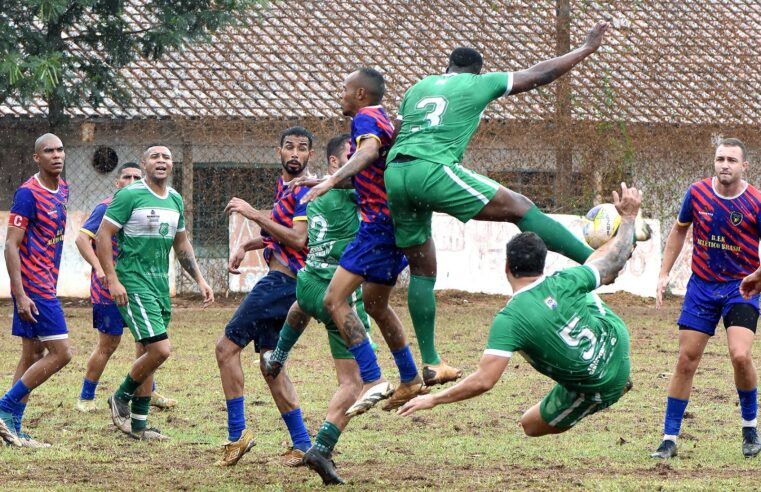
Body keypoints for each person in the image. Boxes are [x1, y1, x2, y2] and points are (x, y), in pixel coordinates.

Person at [384, 22, 653, 386]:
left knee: (422, 269)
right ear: (475, 72)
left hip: (395, 174)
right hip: (431, 168)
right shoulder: (478, 84)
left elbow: (394, 135)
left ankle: (432, 362)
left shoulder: (418, 88)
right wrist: (586, 49)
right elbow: (539, 74)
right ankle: (595, 262)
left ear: (446, 68)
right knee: (521, 208)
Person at [399, 184, 641, 440]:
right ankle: (625, 241)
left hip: (599, 384)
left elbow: (484, 380)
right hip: (616, 342)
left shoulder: (509, 320)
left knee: (530, 425)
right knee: (593, 275)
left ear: (506, 266)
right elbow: (611, 265)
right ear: (542, 264)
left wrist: (434, 400)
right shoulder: (564, 280)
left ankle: (614, 387)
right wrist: (627, 221)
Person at [301, 68, 427, 416]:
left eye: (344, 89)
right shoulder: (384, 120)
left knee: (333, 299)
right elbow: (367, 177)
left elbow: (368, 152)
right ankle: (410, 377)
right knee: (375, 305)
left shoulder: (366, 119)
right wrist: (322, 179)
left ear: (360, 94)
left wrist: (331, 181)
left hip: (377, 227)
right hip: (395, 226)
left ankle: (372, 379)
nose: (339, 94)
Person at [264, 133, 374, 484]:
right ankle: (322, 447)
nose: (362, 161)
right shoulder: (354, 192)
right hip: (338, 297)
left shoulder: (311, 195)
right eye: (353, 155)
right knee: (353, 381)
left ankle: (278, 355)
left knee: (300, 306)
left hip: (308, 283)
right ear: (333, 162)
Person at [651, 138, 761, 459]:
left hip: (741, 288)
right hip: (701, 288)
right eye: (720, 159)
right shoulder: (697, 193)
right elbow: (679, 230)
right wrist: (663, 272)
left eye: (731, 160)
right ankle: (669, 439)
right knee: (686, 360)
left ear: (744, 166)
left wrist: (758, 275)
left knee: (740, 355)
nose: (724, 165)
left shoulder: (755, 201)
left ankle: (750, 428)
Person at [97, 145, 213, 441]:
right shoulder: (130, 195)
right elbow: (103, 235)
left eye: (166, 157)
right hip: (133, 283)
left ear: (171, 165)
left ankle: (138, 427)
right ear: (146, 164)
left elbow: (182, 244)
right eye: (155, 157)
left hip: (160, 286)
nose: (161, 161)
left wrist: (200, 279)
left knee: (146, 353)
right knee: (160, 350)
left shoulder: (174, 199)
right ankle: (120, 397)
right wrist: (112, 279)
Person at [215, 126, 315, 467]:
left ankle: (236, 435)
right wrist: (246, 244)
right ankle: (303, 443)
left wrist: (253, 214)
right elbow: (279, 230)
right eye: (290, 147)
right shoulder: (286, 187)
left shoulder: (304, 191)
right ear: (279, 152)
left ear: (310, 156)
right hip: (286, 286)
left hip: (282, 285)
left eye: (302, 149)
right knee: (271, 365)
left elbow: (298, 239)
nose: (295, 154)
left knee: (225, 349)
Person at [75, 163, 177, 412]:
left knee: (147, 343)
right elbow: (82, 239)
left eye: (136, 177)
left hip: (139, 286)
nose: (131, 180)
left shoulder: (148, 203)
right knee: (109, 344)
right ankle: (86, 398)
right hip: (109, 287)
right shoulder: (108, 206)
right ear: (117, 182)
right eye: (126, 177)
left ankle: (148, 392)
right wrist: (101, 270)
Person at [0, 133, 71, 448]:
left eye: (59, 149)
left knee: (32, 354)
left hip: (46, 282)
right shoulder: (27, 194)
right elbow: (10, 245)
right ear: (36, 158)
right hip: (35, 287)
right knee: (62, 353)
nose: (56, 155)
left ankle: (11, 429)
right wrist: (20, 293)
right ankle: (4, 407)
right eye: (48, 151)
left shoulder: (62, 189)